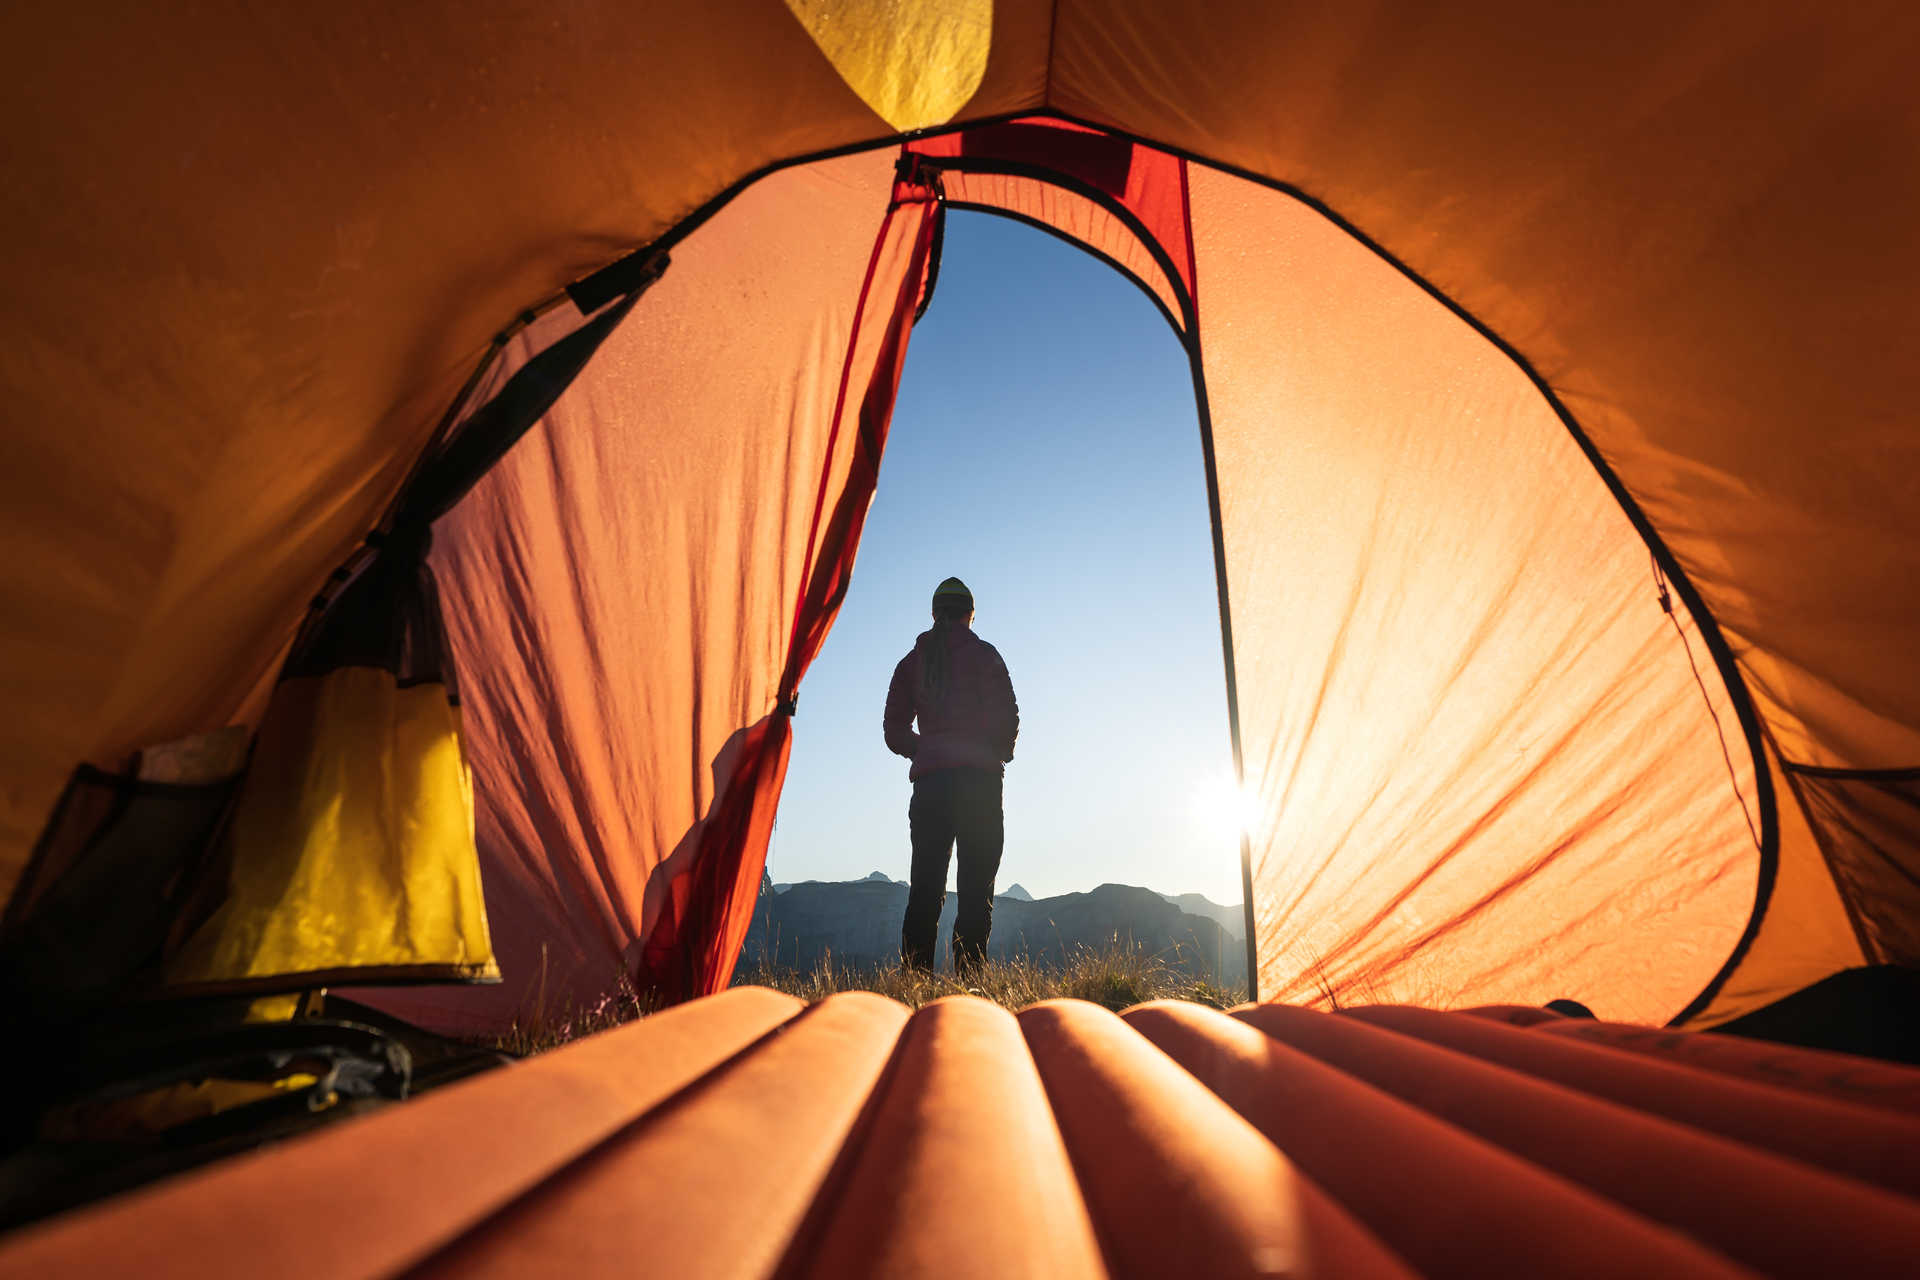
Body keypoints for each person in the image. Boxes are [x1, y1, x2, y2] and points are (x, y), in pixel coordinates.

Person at [883, 577, 1019, 975]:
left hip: (932, 787)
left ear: (934, 614)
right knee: (977, 890)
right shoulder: (986, 656)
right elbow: (1007, 716)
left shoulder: (913, 662)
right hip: (979, 785)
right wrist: (996, 753)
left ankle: (914, 982)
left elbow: (893, 729)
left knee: (925, 887)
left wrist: (923, 749)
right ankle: (971, 985)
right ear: (970, 615)